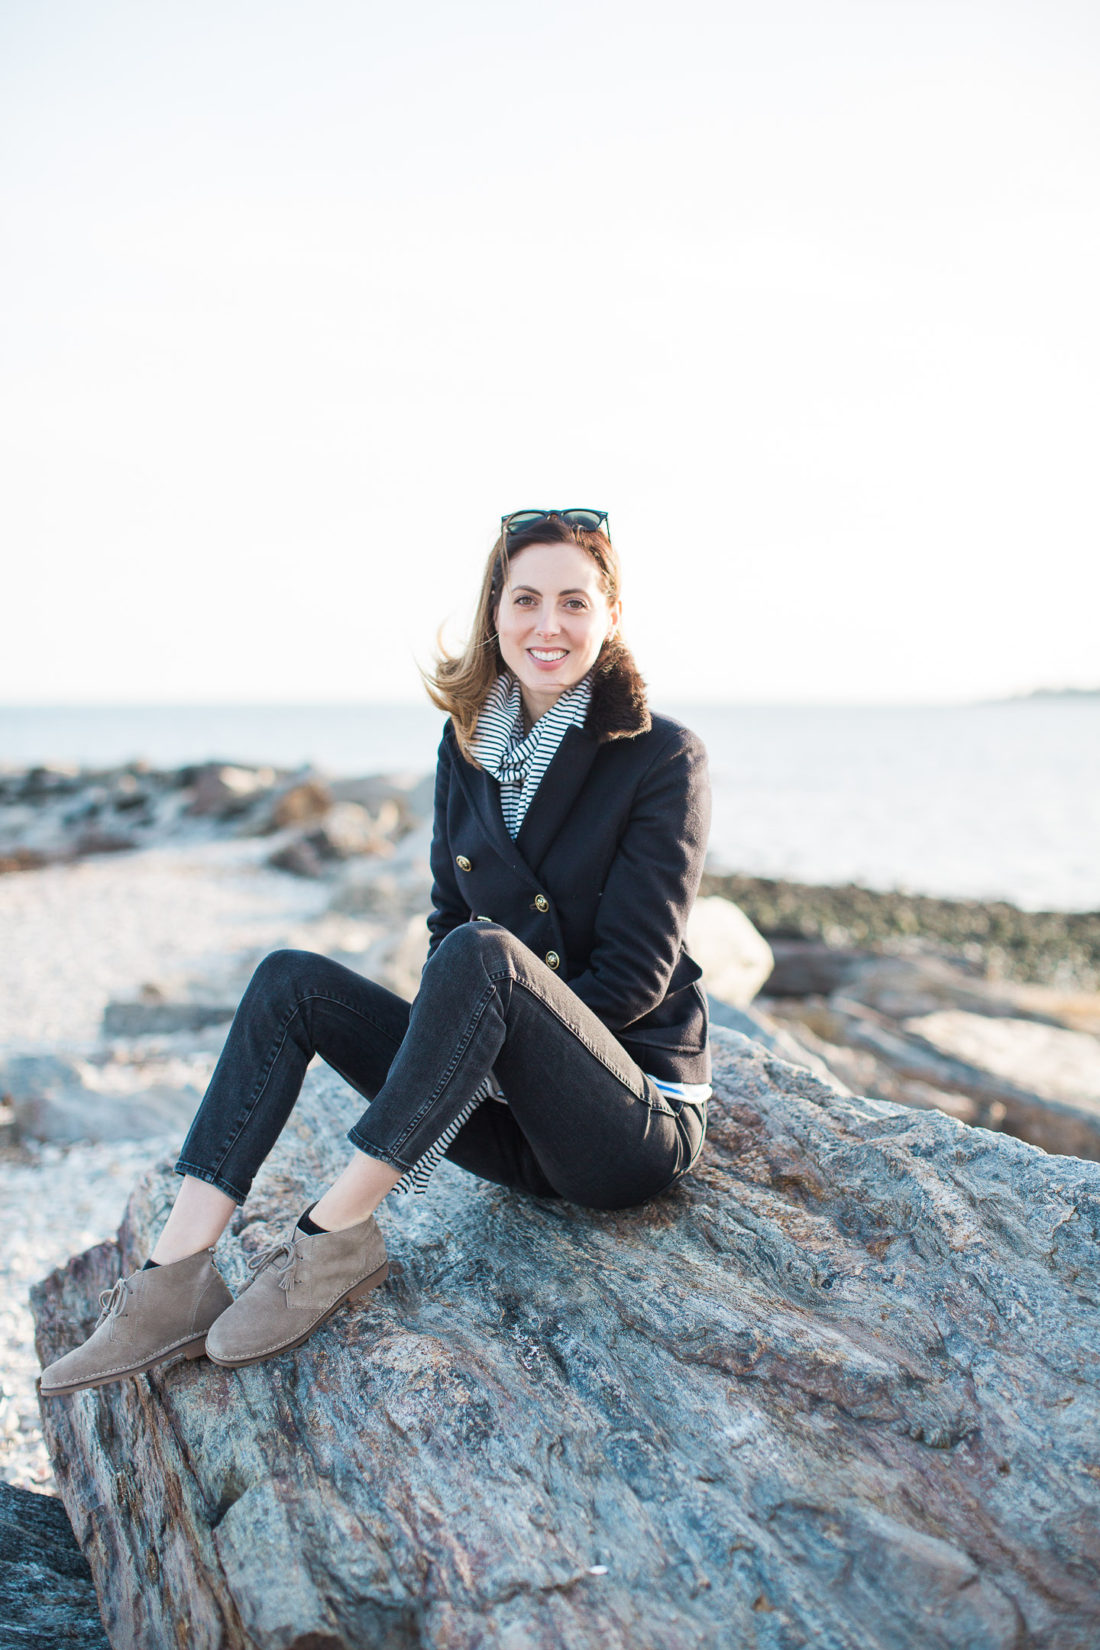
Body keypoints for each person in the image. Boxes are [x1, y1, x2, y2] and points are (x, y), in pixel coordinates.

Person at [39, 508, 712, 1398]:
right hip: (514, 1129)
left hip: (623, 1125)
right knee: (290, 980)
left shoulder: (662, 756)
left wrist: (489, 1036)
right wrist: (459, 1054)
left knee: (484, 956)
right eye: (525, 600)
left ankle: (332, 1240)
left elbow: (630, 983)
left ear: (610, 616)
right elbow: (444, 924)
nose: (548, 625)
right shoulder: (466, 744)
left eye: (574, 603)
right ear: (494, 613)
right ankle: (173, 1280)